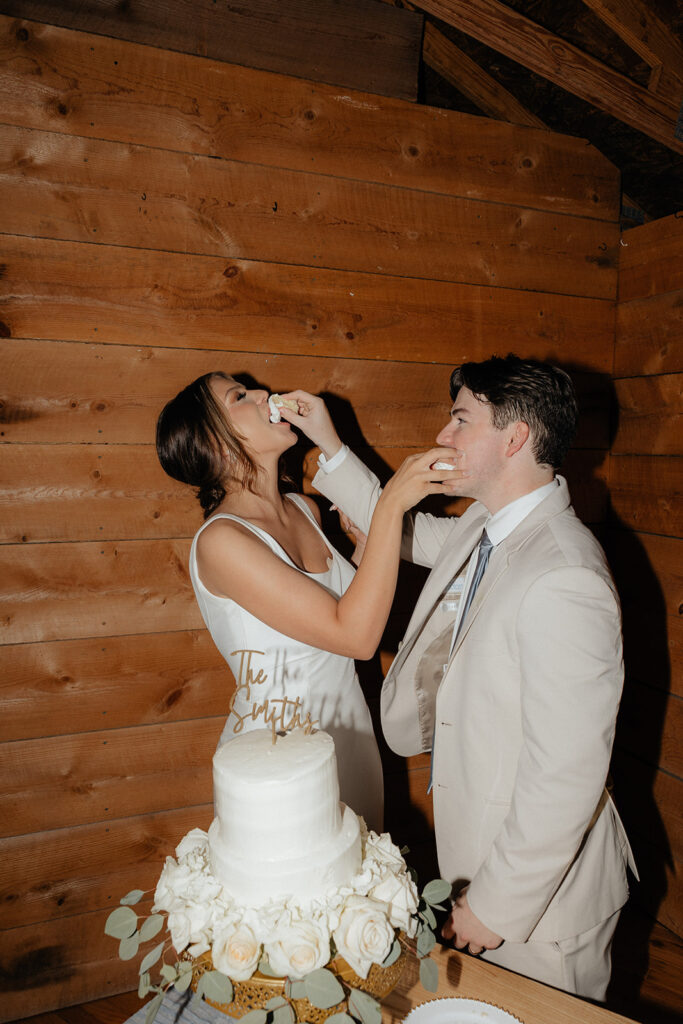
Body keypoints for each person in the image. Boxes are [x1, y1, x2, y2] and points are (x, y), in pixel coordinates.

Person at [281, 355, 636, 1000]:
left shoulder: (565, 576)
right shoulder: (487, 524)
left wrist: (495, 905)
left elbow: (568, 773)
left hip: (544, 902)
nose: (443, 437)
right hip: (485, 855)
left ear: (515, 437)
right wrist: (329, 445)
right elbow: (405, 526)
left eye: (460, 420)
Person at [155, 371, 463, 832]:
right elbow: (355, 636)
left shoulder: (304, 509)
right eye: (239, 396)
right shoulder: (221, 541)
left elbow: (338, 608)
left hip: (351, 738)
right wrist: (390, 505)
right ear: (215, 444)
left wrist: (362, 551)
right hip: (280, 754)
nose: (262, 393)